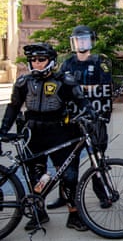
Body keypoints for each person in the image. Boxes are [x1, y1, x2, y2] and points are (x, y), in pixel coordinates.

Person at [0, 43, 94, 231]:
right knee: (36, 176)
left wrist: (90, 114)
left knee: (68, 175)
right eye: (33, 60)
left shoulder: (65, 80)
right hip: (33, 134)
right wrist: (3, 130)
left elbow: (82, 101)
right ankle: (38, 213)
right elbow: (13, 107)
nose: (37, 63)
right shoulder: (23, 82)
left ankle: (74, 214)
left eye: (41, 60)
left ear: (50, 61)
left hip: (60, 133)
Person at [47, 25, 113, 210]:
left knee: (97, 159)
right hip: (72, 120)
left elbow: (106, 87)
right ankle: (65, 196)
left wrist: (79, 89)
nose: (80, 44)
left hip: (94, 119)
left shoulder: (100, 62)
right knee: (68, 162)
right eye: (77, 40)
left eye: (84, 40)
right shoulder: (67, 63)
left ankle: (103, 194)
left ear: (91, 41)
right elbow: (60, 89)